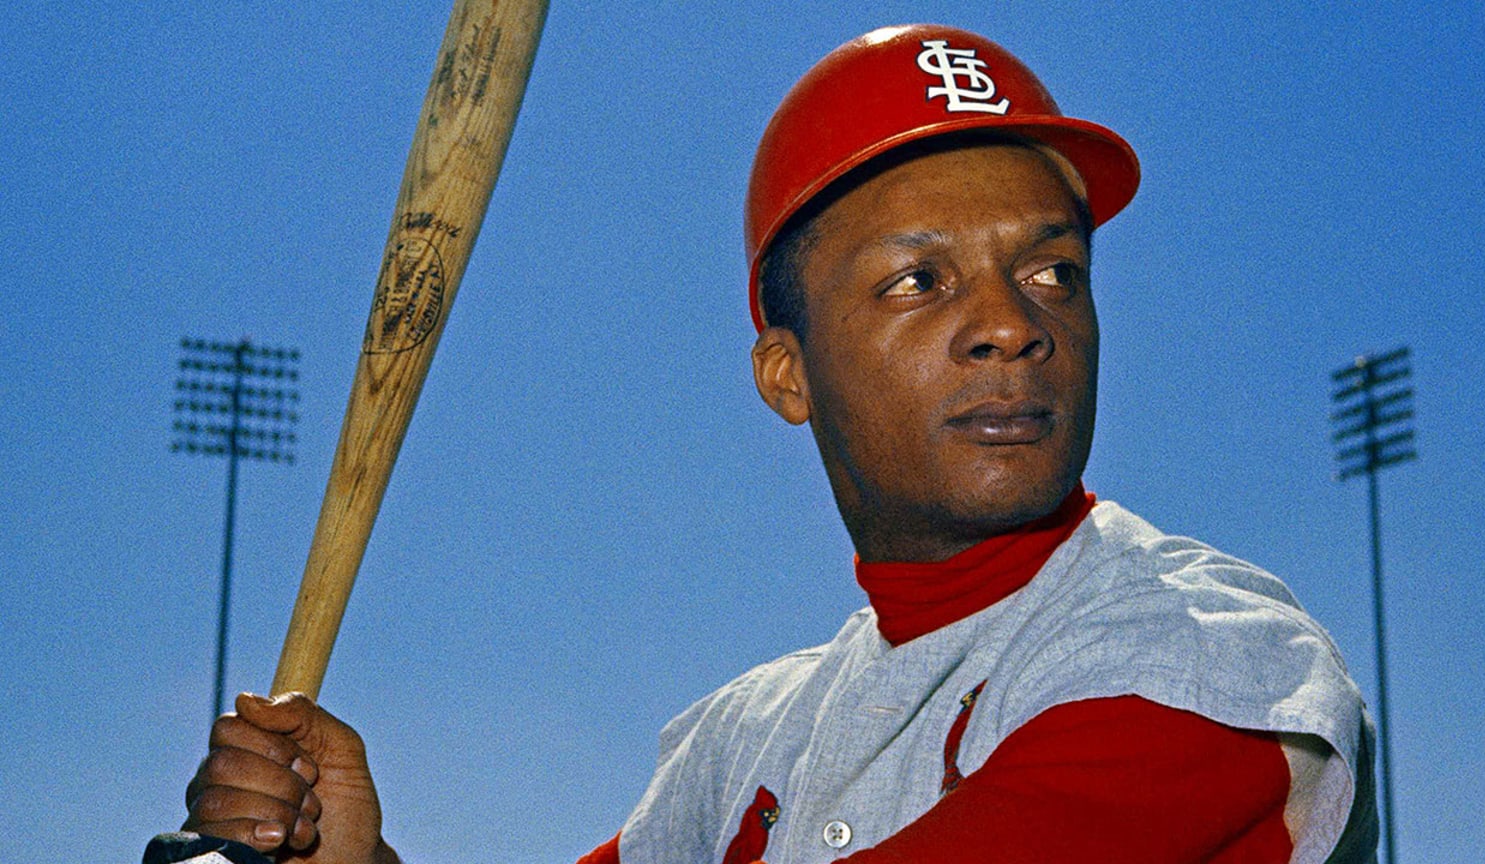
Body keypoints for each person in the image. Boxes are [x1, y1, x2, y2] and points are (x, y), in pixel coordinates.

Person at [160, 24, 1378, 864]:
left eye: (1053, 269)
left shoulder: (1219, 663)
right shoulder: (753, 733)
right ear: (786, 375)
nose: (1014, 324)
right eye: (919, 281)